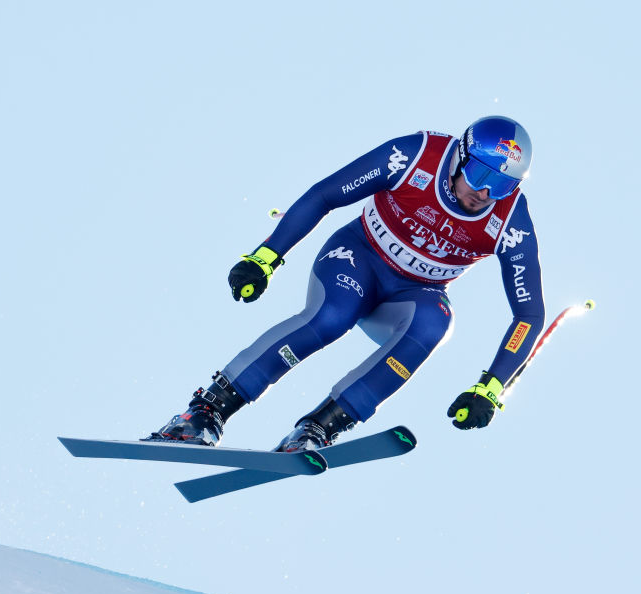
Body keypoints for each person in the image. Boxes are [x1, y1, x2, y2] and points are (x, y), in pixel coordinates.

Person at [146, 115, 546, 452]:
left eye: (501, 185)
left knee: (436, 322)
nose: (483, 192)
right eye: (479, 174)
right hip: (357, 261)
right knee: (332, 317)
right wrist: (265, 257)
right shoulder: (414, 156)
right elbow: (325, 195)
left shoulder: (511, 222)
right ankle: (205, 412)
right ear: (460, 157)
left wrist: (490, 387)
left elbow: (528, 314)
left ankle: (319, 429)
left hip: (411, 297)